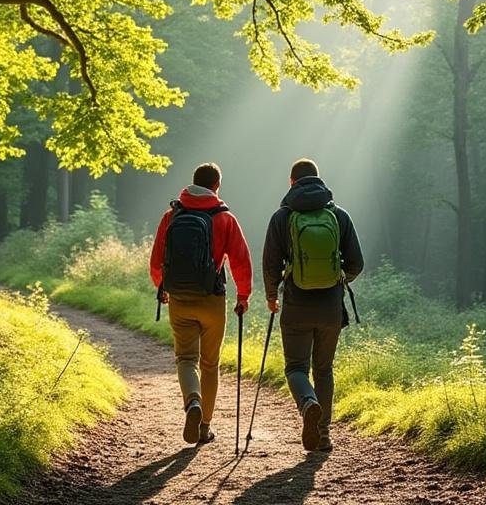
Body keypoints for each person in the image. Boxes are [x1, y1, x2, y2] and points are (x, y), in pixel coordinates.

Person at [263, 158, 364, 452]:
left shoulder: (282, 218)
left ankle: (308, 403)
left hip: (295, 305)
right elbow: (357, 263)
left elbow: (271, 264)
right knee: (324, 369)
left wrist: (272, 296)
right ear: (319, 180)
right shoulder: (339, 215)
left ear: (291, 183)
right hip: (331, 307)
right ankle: (323, 435)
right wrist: (340, 278)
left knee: (296, 368)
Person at [150, 162, 251, 446]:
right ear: (216, 186)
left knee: (185, 359)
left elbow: (157, 259)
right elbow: (241, 261)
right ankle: (204, 425)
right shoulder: (225, 218)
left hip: (180, 299)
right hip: (212, 299)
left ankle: (192, 401)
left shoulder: (172, 215)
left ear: (192, 183)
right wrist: (244, 296)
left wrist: (163, 286)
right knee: (210, 363)